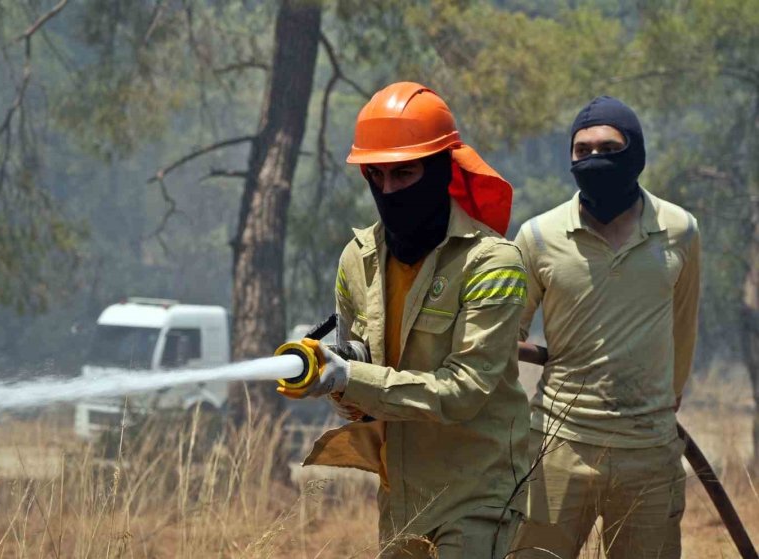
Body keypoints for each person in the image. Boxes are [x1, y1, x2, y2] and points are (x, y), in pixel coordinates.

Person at [279, 82, 531, 558]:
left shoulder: (493, 263)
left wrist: (351, 377)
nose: (389, 190)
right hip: (399, 498)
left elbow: (464, 391)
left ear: (440, 170)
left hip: (478, 495)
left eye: (404, 173)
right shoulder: (357, 259)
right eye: (376, 176)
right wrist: (333, 377)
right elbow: (360, 383)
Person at [511, 96, 700, 558]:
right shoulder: (537, 237)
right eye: (582, 151)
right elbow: (506, 335)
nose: (594, 159)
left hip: (649, 452)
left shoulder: (680, 231)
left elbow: (683, 325)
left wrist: (667, 398)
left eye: (609, 148)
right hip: (557, 448)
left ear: (635, 153)